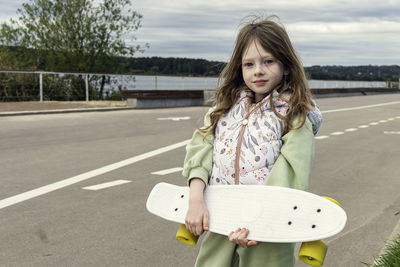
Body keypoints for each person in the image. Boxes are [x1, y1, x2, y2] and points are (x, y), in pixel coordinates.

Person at [182, 15, 323, 267]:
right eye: (249, 64)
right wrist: (195, 199)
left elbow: (291, 172)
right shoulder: (224, 109)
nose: (258, 70)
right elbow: (200, 148)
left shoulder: (294, 115)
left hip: (267, 226)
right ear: (239, 68)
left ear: (286, 65)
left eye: (268, 61)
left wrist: (258, 221)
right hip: (220, 216)